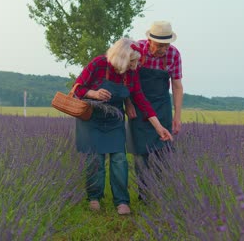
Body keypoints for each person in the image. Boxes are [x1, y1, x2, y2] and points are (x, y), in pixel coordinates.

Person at [73, 37, 173, 215]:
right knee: (95, 159)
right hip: (92, 119)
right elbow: (77, 88)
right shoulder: (98, 64)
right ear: (122, 58)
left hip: (114, 119)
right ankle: (94, 197)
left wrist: (159, 127)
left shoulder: (131, 72)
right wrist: (93, 93)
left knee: (119, 159)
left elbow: (141, 100)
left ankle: (121, 201)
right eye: (132, 61)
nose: (136, 65)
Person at [126, 21, 183, 200]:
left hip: (161, 106)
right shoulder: (137, 50)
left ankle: (158, 193)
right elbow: (125, 79)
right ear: (150, 41)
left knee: (162, 151)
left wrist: (177, 116)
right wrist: (128, 104)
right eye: (160, 46)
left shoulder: (174, 54)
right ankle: (144, 196)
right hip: (138, 105)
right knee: (140, 152)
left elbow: (177, 86)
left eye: (166, 45)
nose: (164, 50)